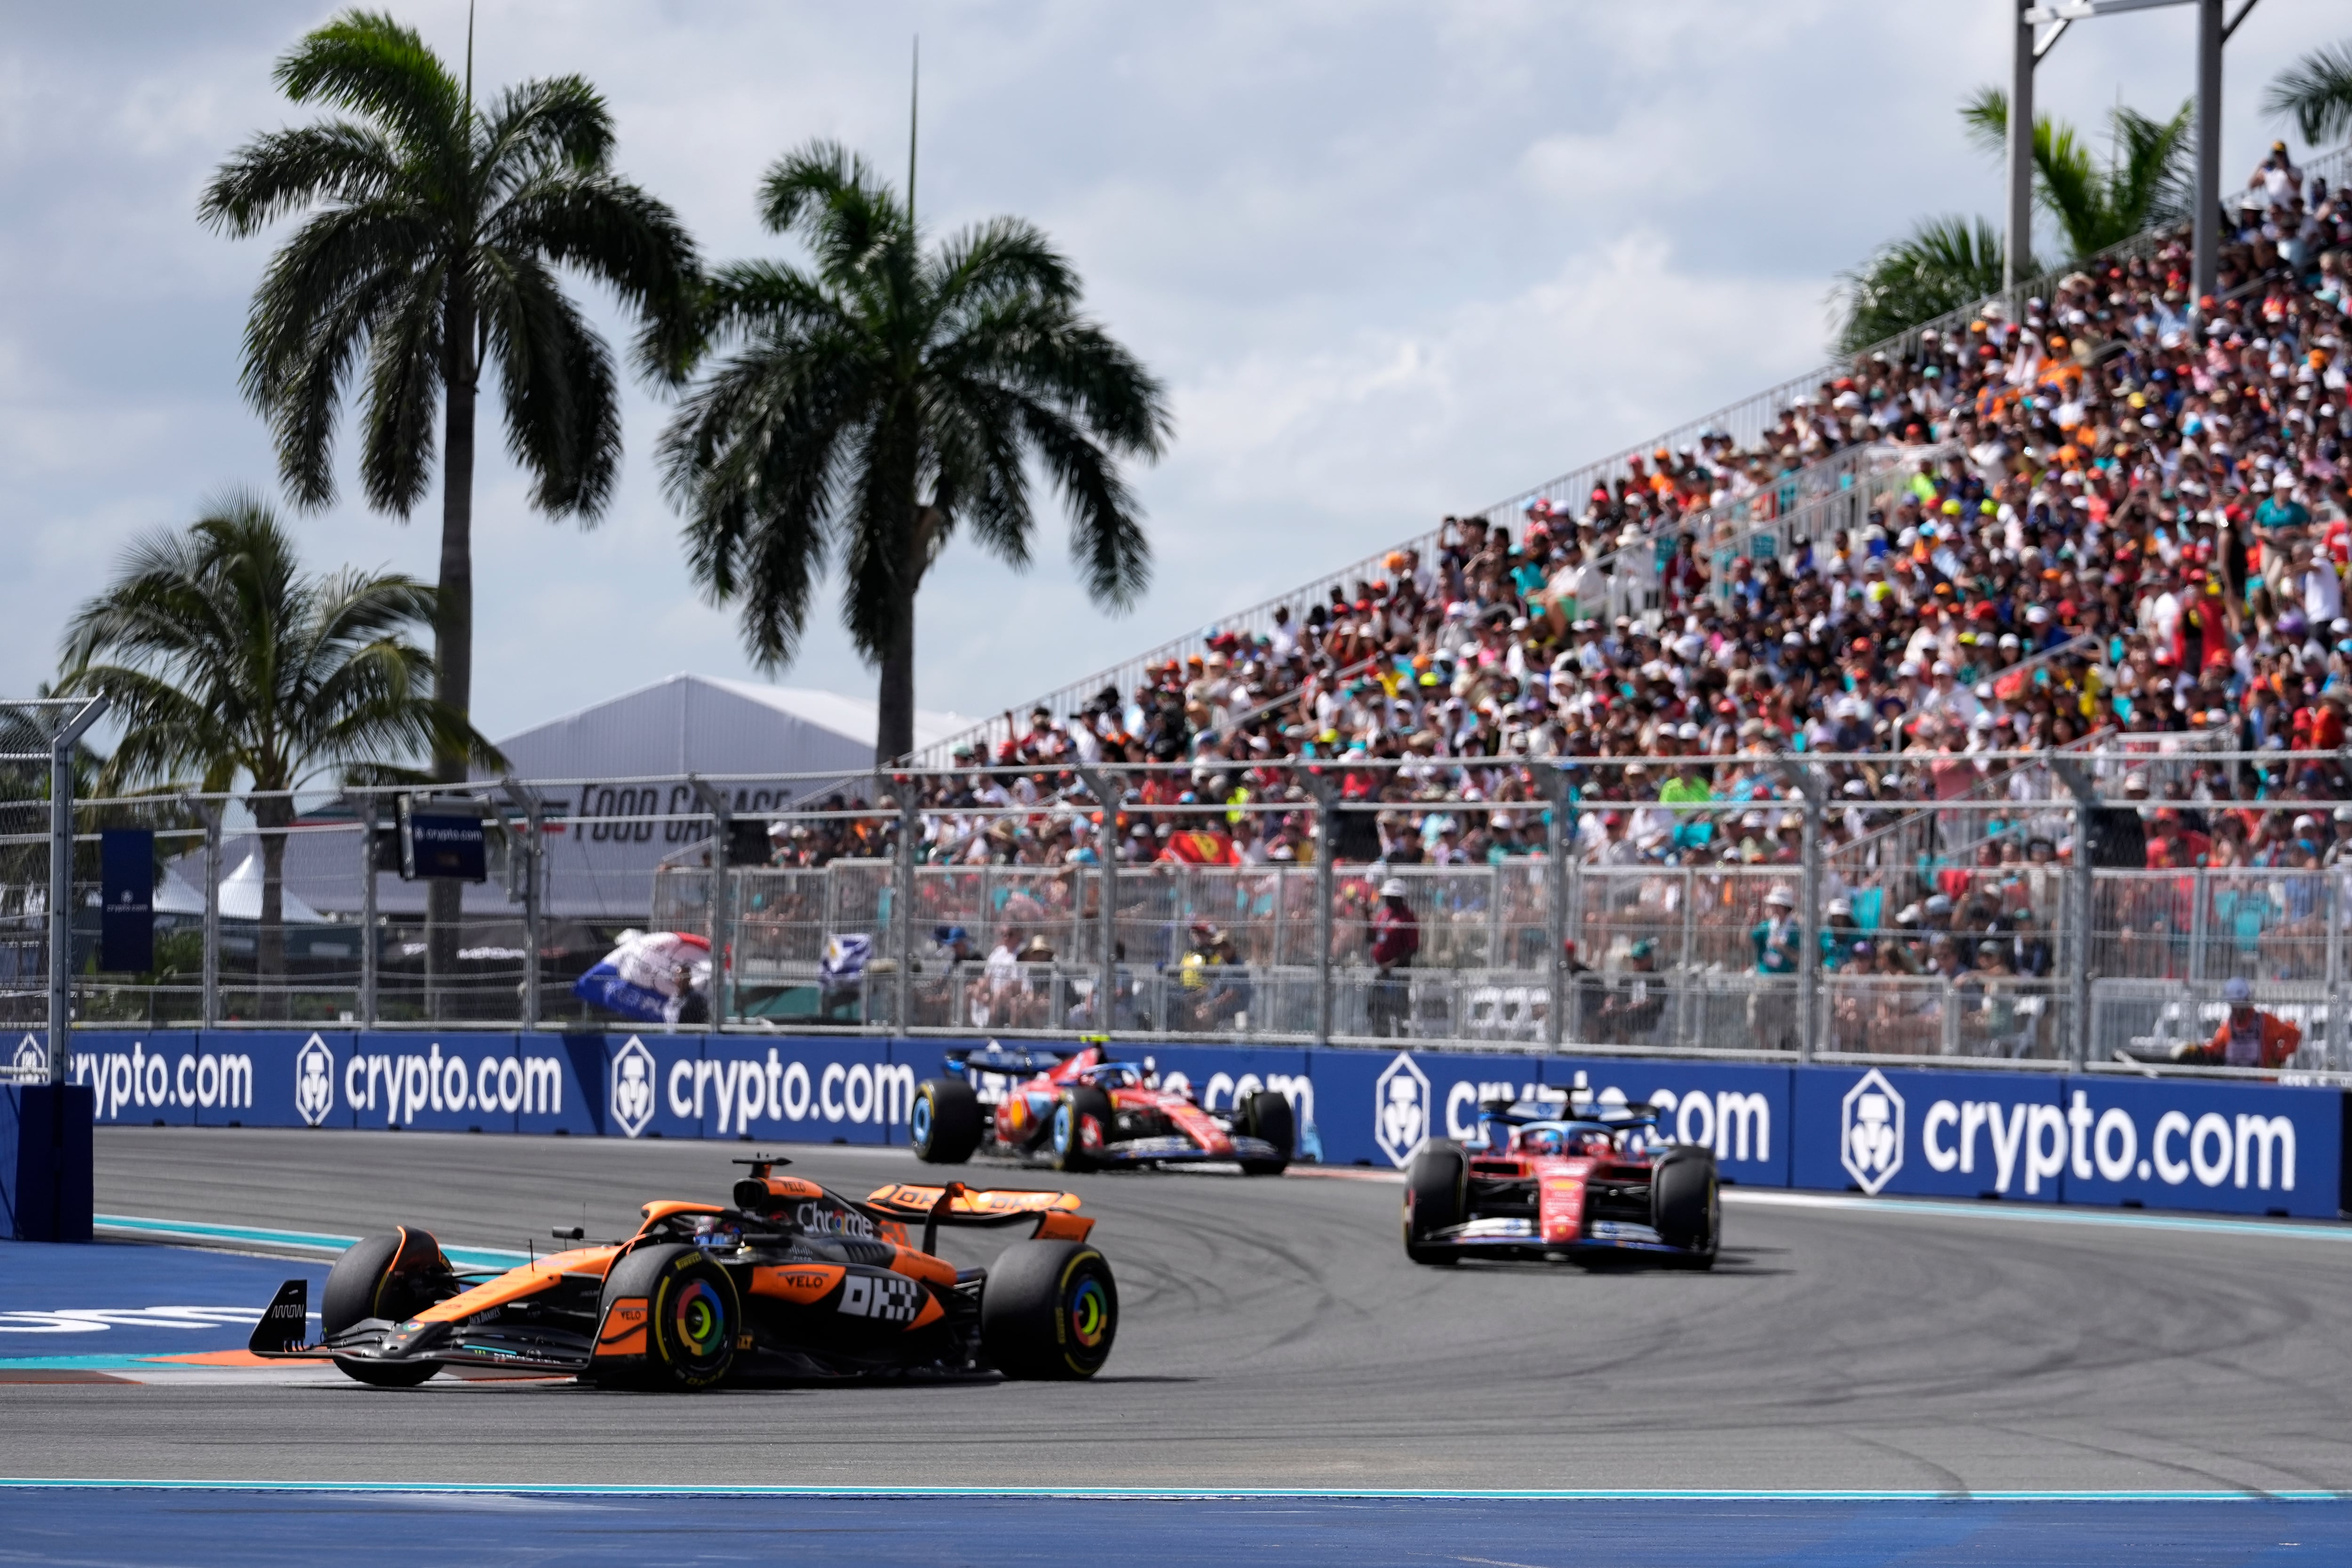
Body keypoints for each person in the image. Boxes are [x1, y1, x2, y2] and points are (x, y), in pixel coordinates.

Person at [2174, 976, 2304, 1068]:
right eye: (2233, 1005)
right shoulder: (2229, 1026)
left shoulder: (2265, 1021)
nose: (2236, 1009)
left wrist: (2279, 1057)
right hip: (2234, 1084)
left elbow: (2294, 1033)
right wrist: (2198, 1050)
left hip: (2261, 1084)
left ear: (2247, 1001)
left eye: (2239, 1004)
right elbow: (2218, 1047)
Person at [1750, 885, 1801, 1051]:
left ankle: (1781, 1054)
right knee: (1755, 1019)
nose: (1772, 908)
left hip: (1784, 984)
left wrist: (1782, 947)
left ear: (1784, 907)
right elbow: (1745, 942)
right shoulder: (1766, 926)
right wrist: (1748, 922)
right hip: (1764, 982)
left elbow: (1798, 958)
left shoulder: (1795, 930)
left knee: (1783, 1027)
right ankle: (1767, 1051)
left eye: (1776, 905)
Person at [1367, 878, 1420, 1038]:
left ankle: (1401, 1040)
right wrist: (1366, 915)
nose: (1388, 900)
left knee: (1398, 1008)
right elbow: (1373, 937)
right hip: (1381, 971)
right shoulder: (1384, 915)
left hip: (1398, 972)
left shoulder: (1407, 918)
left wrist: (1393, 963)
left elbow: (1413, 947)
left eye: (1391, 897)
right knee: (1378, 1006)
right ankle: (1381, 1038)